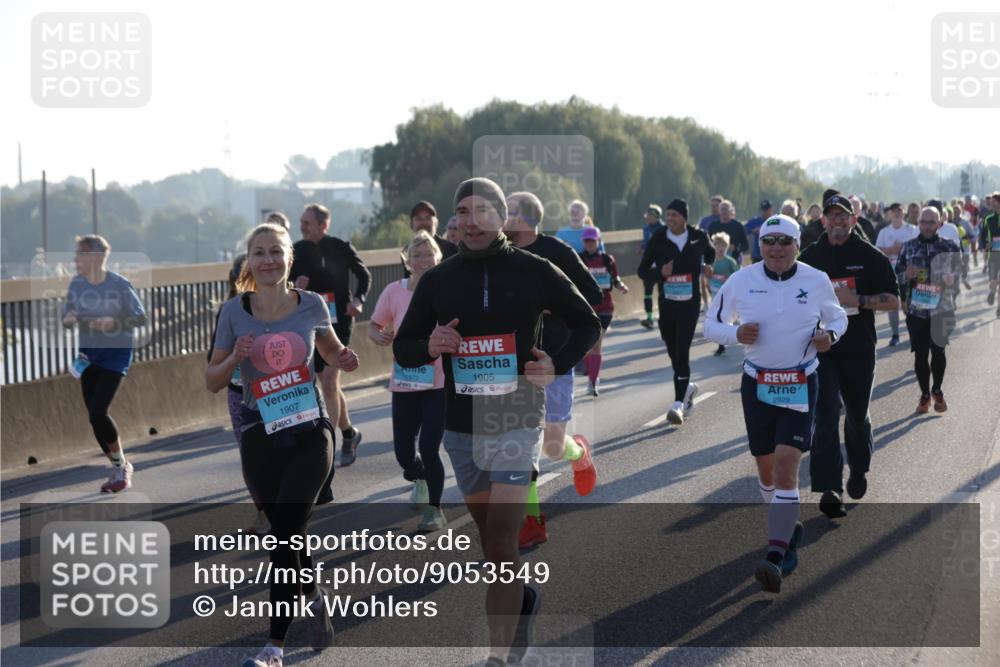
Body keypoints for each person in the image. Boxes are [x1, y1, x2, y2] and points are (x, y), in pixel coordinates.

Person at [394, 177, 601, 664]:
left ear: (500, 216)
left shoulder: (535, 269)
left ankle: (498, 658)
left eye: (482, 210)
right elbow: (404, 347)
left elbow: (587, 320)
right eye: (462, 212)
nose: (471, 220)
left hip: (517, 416)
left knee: (505, 539)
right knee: (492, 544)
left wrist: (556, 362)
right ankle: (524, 597)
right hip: (461, 426)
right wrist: (430, 345)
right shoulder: (439, 280)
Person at [206, 222, 359, 667]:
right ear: (249, 262)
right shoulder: (234, 312)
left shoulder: (310, 303)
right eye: (258, 253)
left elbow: (330, 350)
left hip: (311, 430)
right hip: (259, 432)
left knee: (285, 532)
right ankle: (312, 594)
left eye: (276, 251)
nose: (268, 260)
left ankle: (274, 644)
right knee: (287, 533)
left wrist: (343, 358)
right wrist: (235, 356)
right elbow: (213, 381)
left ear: (289, 258)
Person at [705, 214, 848, 593]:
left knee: (787, 467)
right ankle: (787, 528)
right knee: (766, 471)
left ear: (797, 244)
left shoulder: (815, 280)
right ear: (760, 245)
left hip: (801, 381)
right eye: (770, 241)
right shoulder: (741, 280)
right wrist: (735, 333)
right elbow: (710, 326)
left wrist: (829, 335)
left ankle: (775, 554)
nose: (777, 248)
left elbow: (838, 318)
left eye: (785, 241)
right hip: (758, 385)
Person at [504, 191, 603, 549]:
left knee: (552, 446)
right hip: (514, 363)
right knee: (521, 442)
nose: (501, 216)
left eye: (509, 211)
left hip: (555, 358)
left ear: (527, 218)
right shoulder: (501, 254)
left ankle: (579, 452)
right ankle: (532, 520)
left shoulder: (558, 252)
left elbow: (592, 293)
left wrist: (550, 307)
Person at [799, 193, 899, 519]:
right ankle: (830, 488)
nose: (837, 222)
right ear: (823, 221)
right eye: (832, 216)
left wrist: (858, 298)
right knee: (825, 416)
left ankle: (858, 467)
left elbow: (893, 301)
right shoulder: (810, 258)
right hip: (823, 350)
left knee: (857, 415)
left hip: (858, 348)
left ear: (853, 220)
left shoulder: (870, 256)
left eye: (844, 216)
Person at [369, 231, 448, 532]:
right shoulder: (394, 291)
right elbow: (374, 327)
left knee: (429, 448)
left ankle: (434, 509)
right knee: (404, 454)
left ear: (438, 258)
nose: (424, 260)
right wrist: (380, 336)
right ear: (407, 260)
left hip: (438, 381)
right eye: (417, 255)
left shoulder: (445, 290)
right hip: (404, 381)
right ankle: (421, 476)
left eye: (429, 254)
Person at [290, 203, 371, 488]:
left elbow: (364, 275)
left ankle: (329, 447)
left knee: (328, 381)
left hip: (338, 323)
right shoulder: (296, 250)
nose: (302, 226)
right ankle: (349, 432)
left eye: (307, 223)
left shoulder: (339, 246)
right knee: (328, 385)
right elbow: (282, 285)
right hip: (308, 324)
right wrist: (293, 284)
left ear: (324, 225)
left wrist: (358, 300)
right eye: (301, 222)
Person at [62, 235, 147, 493]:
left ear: (98, 257)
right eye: (76, 254)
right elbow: (65, 320)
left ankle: (122, 469)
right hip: (88, 357)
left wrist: (114, 322)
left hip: (115, 355)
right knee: (94, 417)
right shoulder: (76, 285)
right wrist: (70, 317)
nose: (76, 259)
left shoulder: (120, 285)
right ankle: (118, 466)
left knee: (99, 411)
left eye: (81, 254)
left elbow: (140, 318)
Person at [637, 198, 715, 425]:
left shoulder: (698, 236)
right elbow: (641, 270)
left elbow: (709, 252)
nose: (670, 219)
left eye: (675, 215)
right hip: (667, 304)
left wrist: (707, 266)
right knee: (673, 349)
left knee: (682, 351)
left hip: (690, 305)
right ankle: (688, 387)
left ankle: (678, 404)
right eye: (668, 215)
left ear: (685, 217)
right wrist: (660, 273)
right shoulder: (659, 238)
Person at [210, 257, 270, 535]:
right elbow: (214, 364)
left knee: (280, 454)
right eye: (243, 277)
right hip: (238, 393)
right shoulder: (228, 312)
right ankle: (264, 513)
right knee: (251, 457)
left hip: (275, 390)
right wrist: (235, 354)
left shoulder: (278, 307)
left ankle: (282, 513)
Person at [895, 207, 962, 414]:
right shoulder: (908, 246)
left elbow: (959, 269)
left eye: (931, 222)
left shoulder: (949, 246)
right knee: (920, 354)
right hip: (917, 310)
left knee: (939, 350)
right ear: (918, 223)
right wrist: (907, 274)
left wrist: (952, 278)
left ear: (939, 224)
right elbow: (897, 274)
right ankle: (925, 394)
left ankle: (937, 389)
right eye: (923, 222)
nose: (926, 226)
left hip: (942, 308)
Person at [580, 226, 629, 394]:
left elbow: (615, 279)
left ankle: (594, 382)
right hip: (586, 307)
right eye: (587, 241)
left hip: (605, 306)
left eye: (592, 241)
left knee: (596, 343)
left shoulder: (608, 260)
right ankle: (591, 377)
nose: (589, 244)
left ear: (598, 241)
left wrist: (621, 286)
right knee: (586, 345)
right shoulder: (578, 259)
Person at [874, 202, 918, 346]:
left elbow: (919, 249)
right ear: (890, 214)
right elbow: (877, 253)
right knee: (892, 304)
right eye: (894, 211)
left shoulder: (912, 230)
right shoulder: (884, 232)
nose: (897, 213)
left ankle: (913, 333)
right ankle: (895, 335)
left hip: (908, 272)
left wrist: (903, 250)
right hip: (890, 273)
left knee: (908, 305)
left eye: (899, 210)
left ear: (904, 212)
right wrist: (892, 250)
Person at [402, 200, 458, 277]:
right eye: (418, 219)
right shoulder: (407, 251)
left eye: (428, 218)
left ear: (436, 223)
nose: (423, 222)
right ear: (411, 225)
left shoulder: (451, 249)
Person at [706, 232, 740, 355]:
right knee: (718, 318)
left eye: (723, 246)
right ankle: (722, 343)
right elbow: (706, 276)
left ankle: (724, 341)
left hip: (728, 294)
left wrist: (728, 278)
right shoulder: (710, 261)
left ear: (727, 247)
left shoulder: (730, 261)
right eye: (717, 245)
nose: (719, 248)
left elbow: (738, 276)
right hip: (715, 293)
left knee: (723, 317)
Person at [640, 204, 665, 329]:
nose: (648, 218)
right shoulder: (645, 228)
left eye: (651, 216)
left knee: (662, 292)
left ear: (657, 216)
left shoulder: (665, 228)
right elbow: (645, 242)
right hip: (649, 264)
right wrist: (642, 248)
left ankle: (663, 316)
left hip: (661, 265)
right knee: (647, 292)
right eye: (647, 216)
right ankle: (649, 318)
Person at [979, 193, 1000, 316]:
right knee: (993, 280)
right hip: (993, 254)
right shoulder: (988, 218)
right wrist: (985, 243)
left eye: (993, 202)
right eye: (990, 202)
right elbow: (983, 235)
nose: (991, 204)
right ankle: (992, 292)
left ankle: (999, 308)